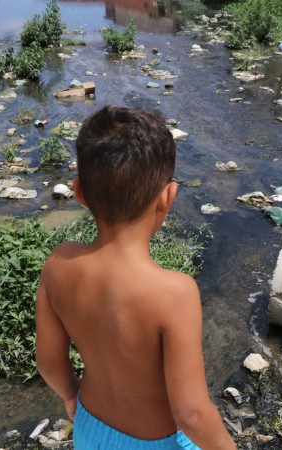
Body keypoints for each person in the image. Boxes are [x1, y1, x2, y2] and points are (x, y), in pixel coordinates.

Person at [36, 106, 236, 450]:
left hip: (89, 429)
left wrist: (72, 399)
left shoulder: (59, 263)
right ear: (167, 198)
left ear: (79, 192)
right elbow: (190, 413)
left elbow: (49, 362)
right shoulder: (175, 292)